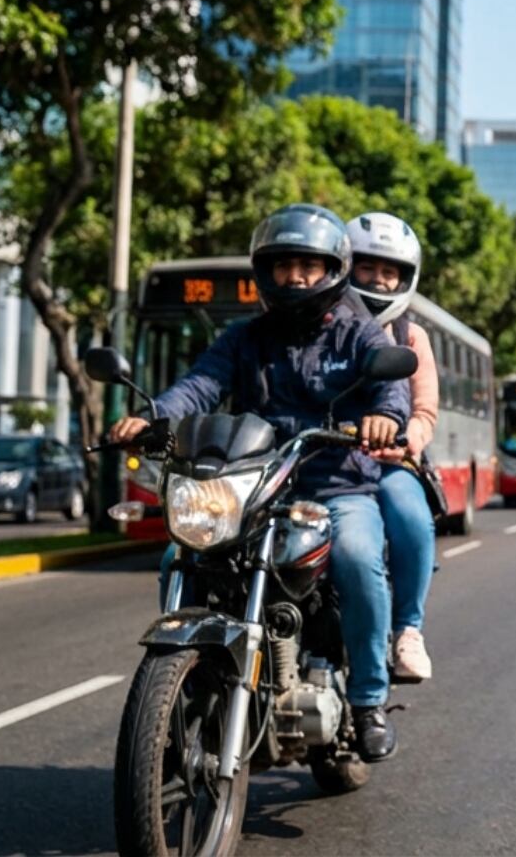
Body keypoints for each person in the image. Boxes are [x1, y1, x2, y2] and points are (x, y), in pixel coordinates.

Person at [106, 204, 409, 763]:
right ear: (264, 272)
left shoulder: (356, 332)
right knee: (181, 556)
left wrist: (385, 417)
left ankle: (369, 700)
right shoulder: (244, 338)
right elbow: (199, 386)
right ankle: (191, 685)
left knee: (359, 557)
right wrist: (152, 419)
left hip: (337, 485)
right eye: (283, 265)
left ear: (332, 270)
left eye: (307, 266)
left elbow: (391, 385)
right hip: (256, 488)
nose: (294, 277)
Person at [345, 210, 439, 683]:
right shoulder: (319, 324)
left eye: (389, 271)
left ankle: (408, 630)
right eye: (367, 267)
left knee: (411, 518)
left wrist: (404, 442)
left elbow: (424, 412)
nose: (378, 279)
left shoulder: (410, 336)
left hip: (388, 463)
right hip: (320, 460)